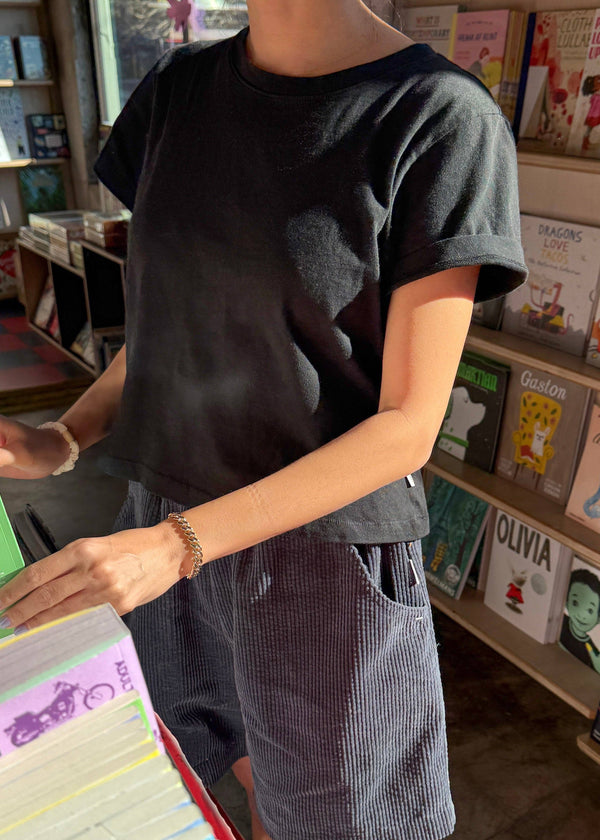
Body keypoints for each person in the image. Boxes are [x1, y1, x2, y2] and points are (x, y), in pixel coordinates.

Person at [0, 1, 528, 838]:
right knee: (208, 785)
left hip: (317, 574)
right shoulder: (178, 91)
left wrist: (175, 549)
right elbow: (174, 322)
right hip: (164, 523)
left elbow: (408, 427)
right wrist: (63, 436)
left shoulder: (437, 116)